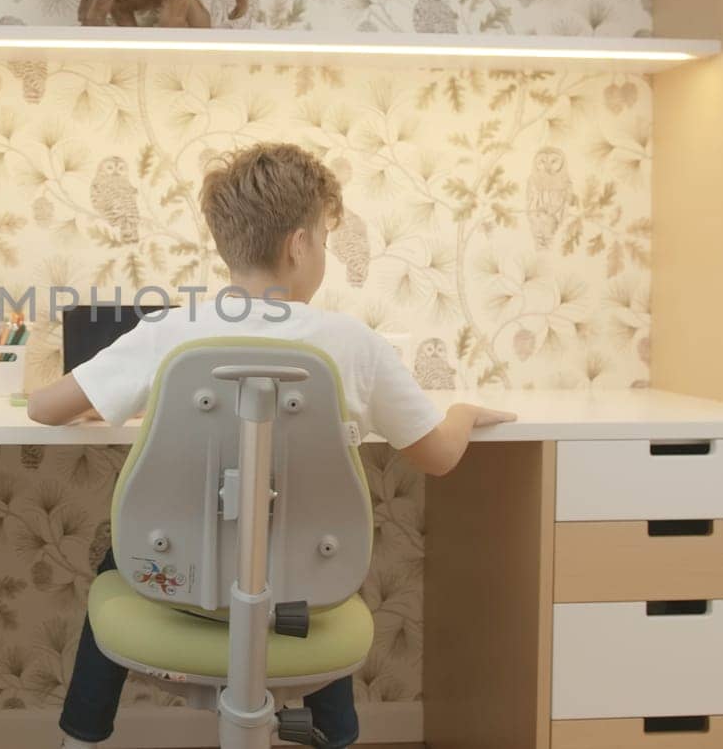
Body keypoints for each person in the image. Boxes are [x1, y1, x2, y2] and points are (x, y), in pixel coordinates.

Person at [28, 142, 515, 748]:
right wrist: (463, 412)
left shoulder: (171, 330)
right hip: (300, 590)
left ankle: (84, 737)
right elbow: (439, 457)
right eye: (326, 242)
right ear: (300, 245)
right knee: (310, 567)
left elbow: (43, 409)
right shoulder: (351, 343)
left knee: (117, 561)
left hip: (176, 580)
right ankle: (334, 736)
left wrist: (130, 410)